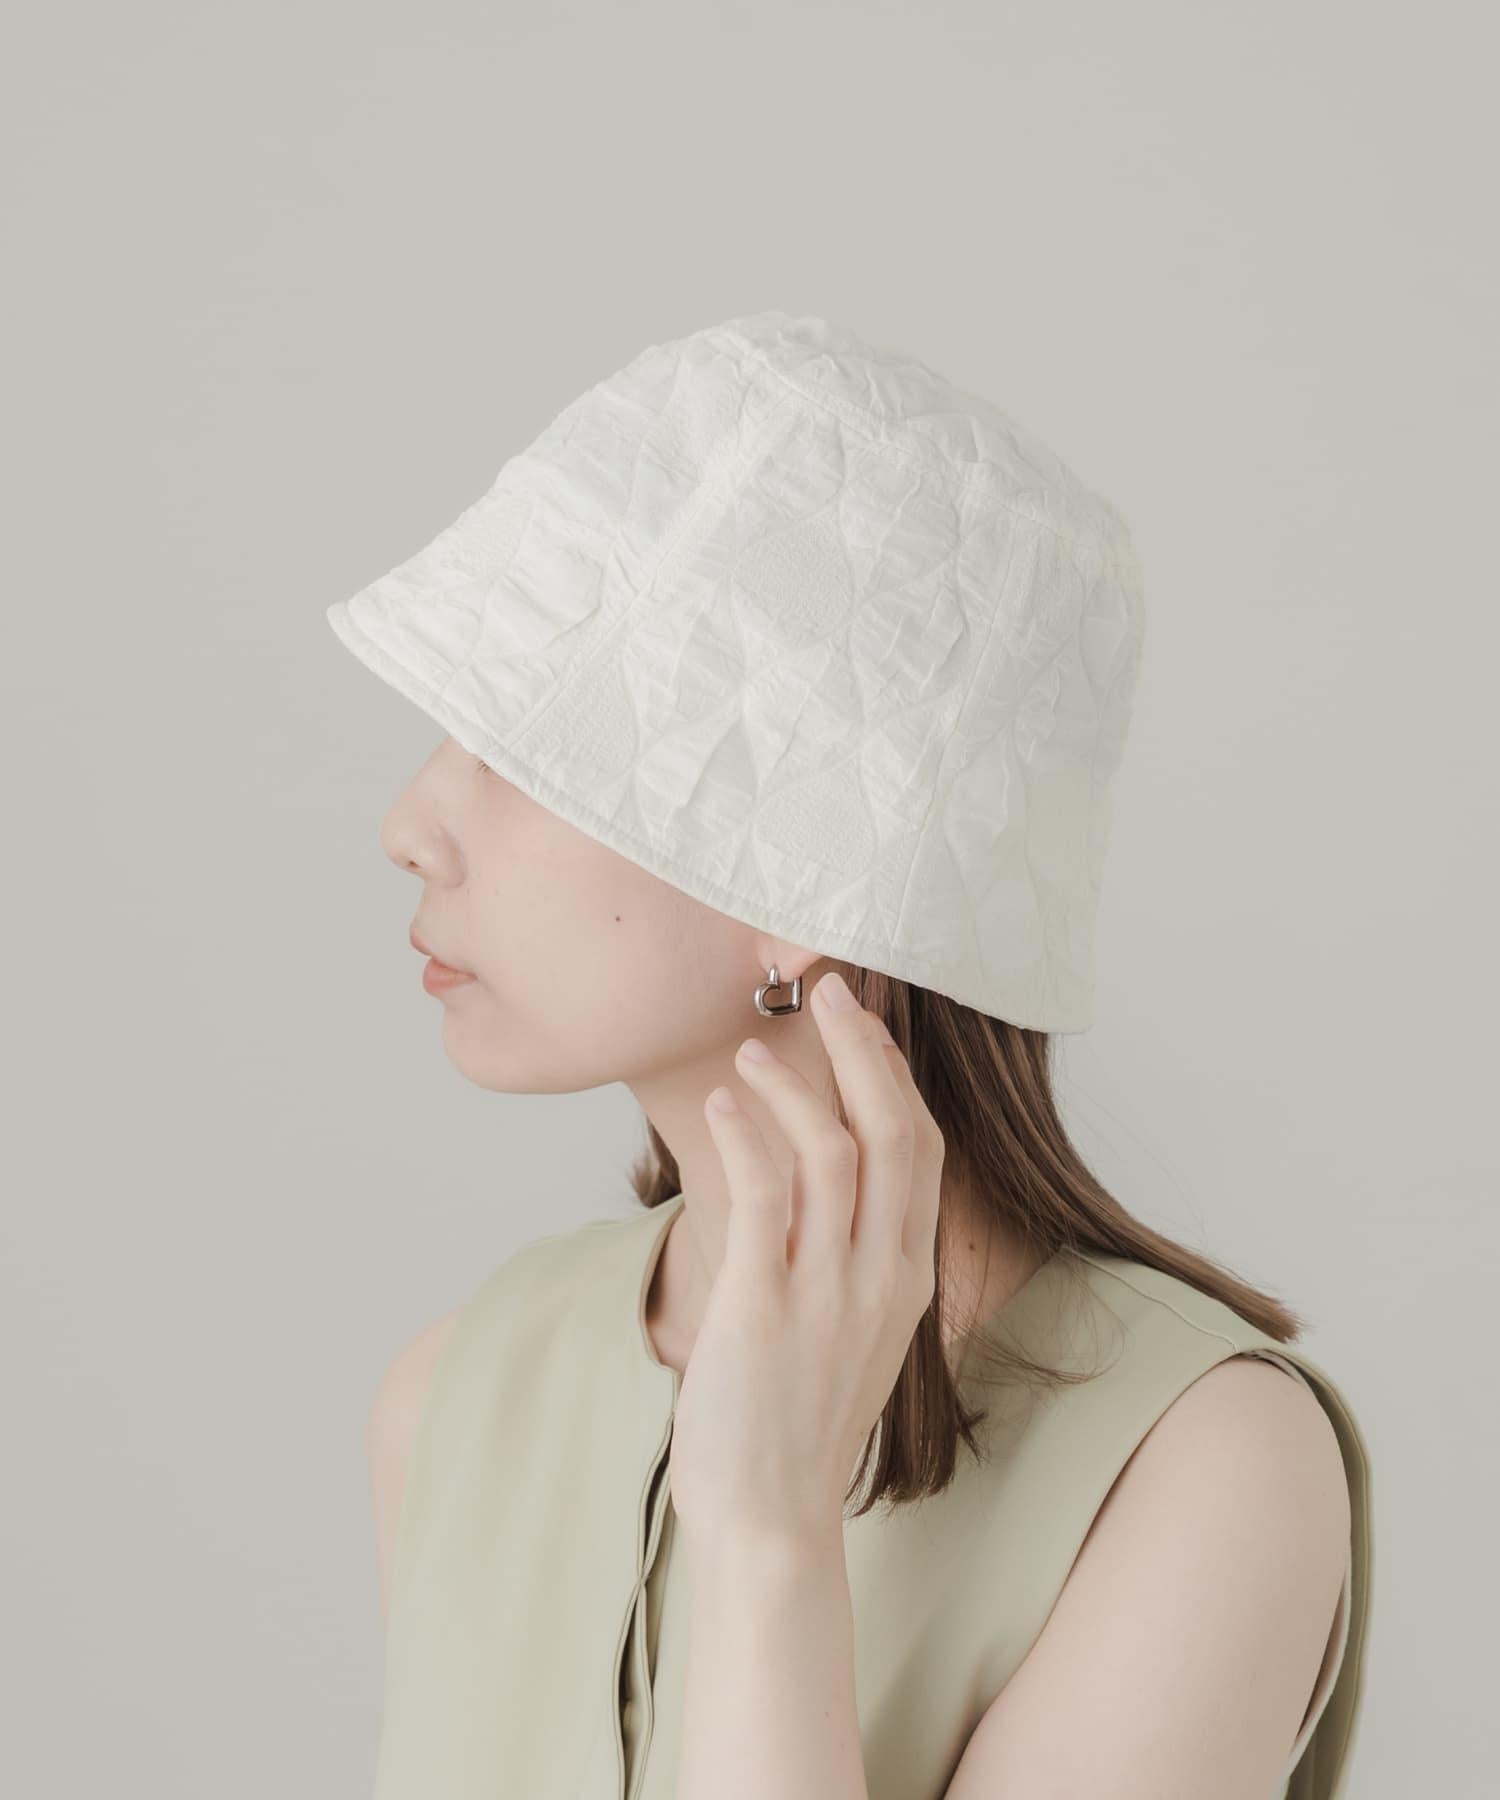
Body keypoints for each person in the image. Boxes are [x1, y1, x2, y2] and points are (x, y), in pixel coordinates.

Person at [330, 312, 1371, 1799]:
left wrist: (769, 1538)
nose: (411, 826)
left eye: (530, 754)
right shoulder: (457, 1396)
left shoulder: (1202, 1466)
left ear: (812, 874)